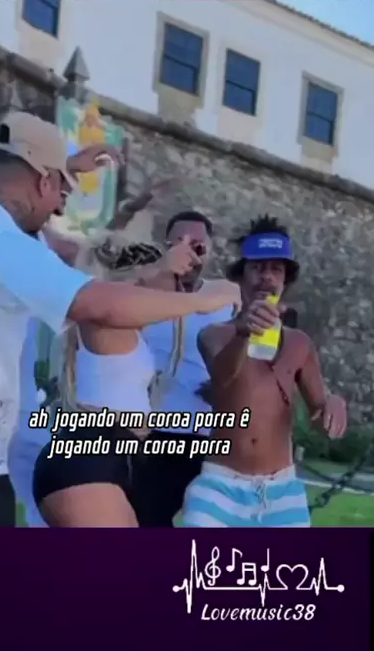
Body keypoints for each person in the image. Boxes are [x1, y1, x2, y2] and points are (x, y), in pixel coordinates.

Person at [0, 110, 239, 527]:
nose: (60, 203)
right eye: (60, 187)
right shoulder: (5, 244)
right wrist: (205, 299)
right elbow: (102, 305)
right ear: (42, 181)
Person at [32, 235, 240, 527]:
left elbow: (229, 289)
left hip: (120, 456)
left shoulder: (132, 333)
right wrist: (184, 289)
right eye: (174, 280)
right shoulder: (105, 319)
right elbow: (116, 297)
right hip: (89, 456)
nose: (178, 289)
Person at [181, 214, 347, 528]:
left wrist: (332, 406)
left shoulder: (299, 343)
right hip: (221, 483)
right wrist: (244, 333)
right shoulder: (216, 334)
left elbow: (319, 415)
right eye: (257, 268)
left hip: (281, 488)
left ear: (285, 281)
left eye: (276, 269)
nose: (266, 278)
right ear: (240, 277)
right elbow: (224, 378)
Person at [133, 210, 235, 527]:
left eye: (198, 246)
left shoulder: (227, 298)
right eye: (177, 244)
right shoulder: (140, 295)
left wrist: (227, 388)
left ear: (211, 250)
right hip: (146, 431)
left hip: (205, 434)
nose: (188, 254)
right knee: (144, 520)